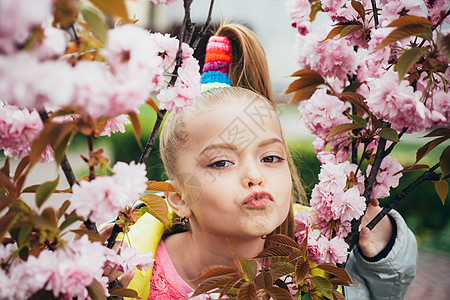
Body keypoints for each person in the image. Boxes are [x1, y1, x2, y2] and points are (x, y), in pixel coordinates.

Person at [113, 23, 417, 299]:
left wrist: (386, 250)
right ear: (179, 198)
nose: (254, 175)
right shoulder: (127, 268)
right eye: (221, 163)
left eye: (270, 157)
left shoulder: (314, 257)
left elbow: (378, 291)